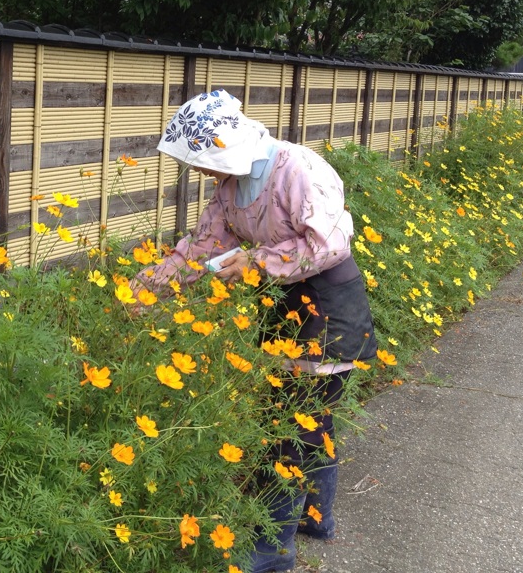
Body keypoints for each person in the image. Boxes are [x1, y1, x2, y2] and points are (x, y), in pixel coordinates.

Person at [132, 89, 378, 573]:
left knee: (290, 431)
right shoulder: (230, 189)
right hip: (282, 306)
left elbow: (328, 243)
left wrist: (254, 260)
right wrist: (144, 290)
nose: (201, 172)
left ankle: (271, 551)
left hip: (327, 303)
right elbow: (201, 249)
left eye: (202, 160)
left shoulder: (298, 169)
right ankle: (316, 519)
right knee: (308, 423)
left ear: (225, 145)